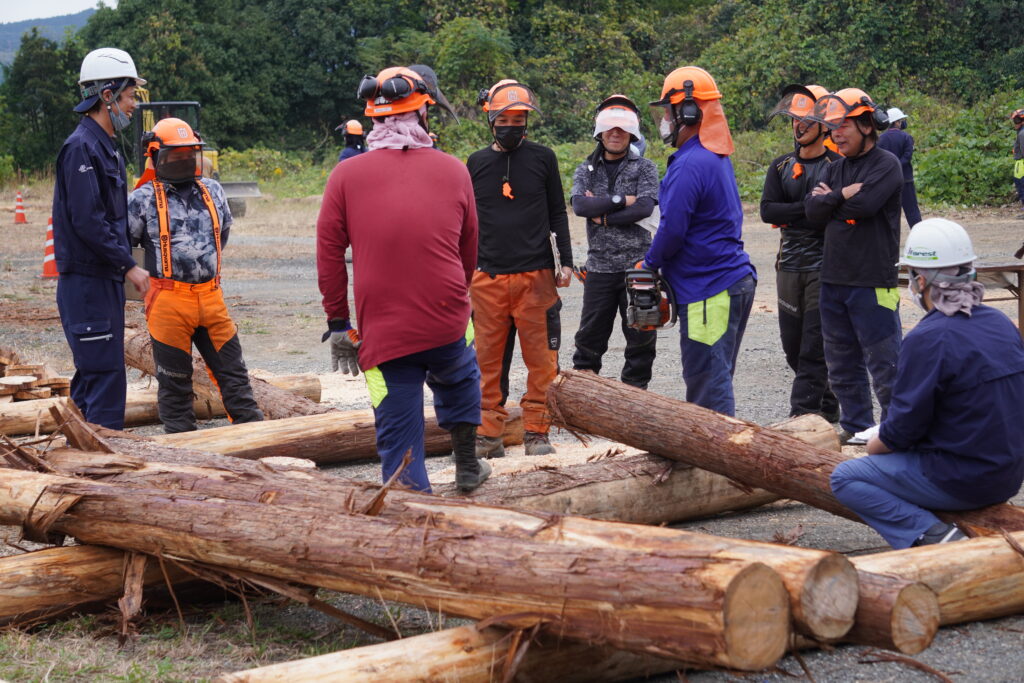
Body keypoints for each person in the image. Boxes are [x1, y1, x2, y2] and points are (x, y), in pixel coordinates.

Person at [317, 65, 490, 493]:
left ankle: (408, 494)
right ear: (423, 113)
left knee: (396, 421)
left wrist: (338, 322)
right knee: (460, 376)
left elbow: (328, 254)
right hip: (448, 316)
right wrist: (455, 294)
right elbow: (469, 247)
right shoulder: (454, 170)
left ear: (372, 118)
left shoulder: (345, 175)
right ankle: (467, 464)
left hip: (383, 328)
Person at [831, 219, 1024, 548]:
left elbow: (903, 429)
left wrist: (875, 444)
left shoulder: (929, 338)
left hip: (963, 478)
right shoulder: (1000, 322)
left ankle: (938, 538)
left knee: (846, 478)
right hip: (1008, 473)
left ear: (921, 281)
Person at [127, 117, 264, 433]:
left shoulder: (212, 190)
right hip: (167, 301)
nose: (183, 159)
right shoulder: (141, 199)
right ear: (155, 154)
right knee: (175, 385)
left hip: (211, 297)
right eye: (175, 154)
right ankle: (183, 447)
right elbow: (127, 248)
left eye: (188, 153)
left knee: (235, 376)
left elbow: (221, 234)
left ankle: (254, 437)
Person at [467, 79, 573, 457]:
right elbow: (467, 221)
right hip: (487, 276)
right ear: (491, 121)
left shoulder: (544, 158)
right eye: (504, 120)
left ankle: (537, 433)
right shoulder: (476, 163)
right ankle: (487, 435)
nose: (511, 126)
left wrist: (566, 262)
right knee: (486, 363)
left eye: (518, 120)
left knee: (542, 362)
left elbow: (557, 212)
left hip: (537, 277)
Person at [642, 66, 756, 416]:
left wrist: (649, 264)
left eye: (668, 111)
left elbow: (673, 229)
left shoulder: (692, 162)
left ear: (689, 112)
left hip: (710, 289)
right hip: (725, 282)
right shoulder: (712, 157)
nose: (665, 120)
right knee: (714, 378)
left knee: (708, 390)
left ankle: (717, 451)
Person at [51, 47, 150, 430]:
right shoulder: (81, 147)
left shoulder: (105, 147)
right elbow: (88, 221)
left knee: (94, 376)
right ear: (107, 95)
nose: (132, 105)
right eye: (128, 97)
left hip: (102, 282)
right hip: (87, 285)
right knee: (106, 379)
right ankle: (106, 462)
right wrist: (129, 267)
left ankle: (75, 455)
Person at [804, 88, 904, 443]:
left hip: (873, 280)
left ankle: (897, 431)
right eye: (832, 128)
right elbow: (811, 212)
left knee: (886, 361)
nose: (836, 134)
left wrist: (830, 202)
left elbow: (865, 206)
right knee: (841, 361)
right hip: (834, 279)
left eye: (843, 125)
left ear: (866, 124)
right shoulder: (837, 169)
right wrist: (840, 196)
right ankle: (857, 425)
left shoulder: (886, 164)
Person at [760, 84, 841, 422]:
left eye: (806, 119)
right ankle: (828, 403)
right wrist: (809, 207)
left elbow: (831, 215)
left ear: (824, 125)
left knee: (813, 346)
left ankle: (802, 414)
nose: (799, 125)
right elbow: (767, 211)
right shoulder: (780, 166)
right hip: (788, 266)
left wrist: (796, 212)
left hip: (825, 266)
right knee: (792, 348)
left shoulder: (837, 166)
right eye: (794, 119)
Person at [570, 94, 660, 388]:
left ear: (633, 132)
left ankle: (636, 394)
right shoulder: (586, 168)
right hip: (599, 267)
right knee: (589, 338)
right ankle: (583, 392)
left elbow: (644, 207)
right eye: (610, 128)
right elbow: (580, 206)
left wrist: (605, 214)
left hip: (638, 265)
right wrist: (623, 200)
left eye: (622, 129)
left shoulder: (645, 167)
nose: (616, 133)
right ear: (600, 131)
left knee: (641, 336)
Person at [876, 107, 922, 227]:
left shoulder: (880, 139)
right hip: (905, 179)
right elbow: (907, 156)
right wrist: (897, 165)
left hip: (888, 181)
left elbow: (879, 160)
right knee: (912, 211)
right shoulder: (907, 137)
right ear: (896, 122)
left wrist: (890, 168)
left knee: (890, 212)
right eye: (901, 121)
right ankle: (918, 233)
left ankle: (890, 236)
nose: (902, 123)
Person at [1012, 109, 1024, 218]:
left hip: (1021, 164)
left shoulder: (1022, 133)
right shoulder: (1020, 132)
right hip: (1020, 164)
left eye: (1017, 120)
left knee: (1021, 186)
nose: (1015, 123)